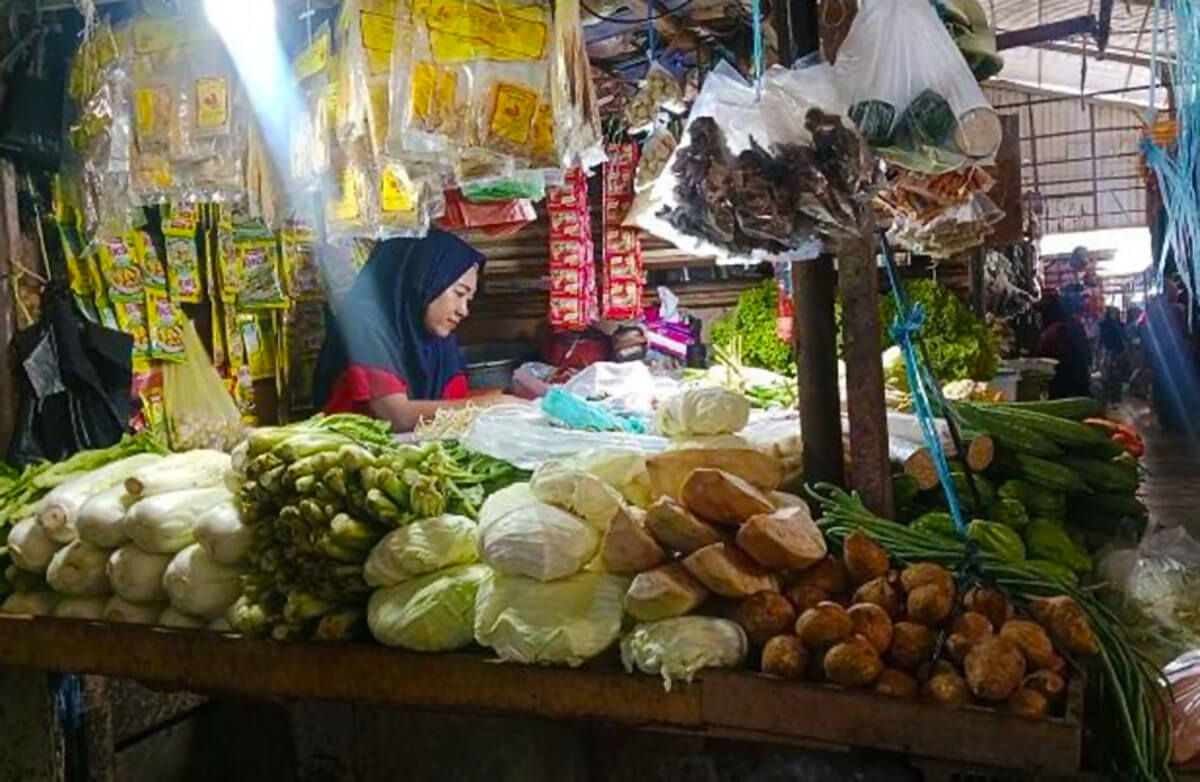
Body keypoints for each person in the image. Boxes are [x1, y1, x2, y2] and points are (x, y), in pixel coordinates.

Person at [313, 230, 519, 432]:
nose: (463, 310)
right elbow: (396, 416)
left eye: (468, 299)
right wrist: (492, 404)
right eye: (459, 293)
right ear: (424, 280)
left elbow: (452, 403)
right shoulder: (365, 323)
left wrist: (511, 398)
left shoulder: (435, 338)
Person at [1037, 294, 1093, 399]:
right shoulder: (1074, 327)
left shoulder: (1051, 332)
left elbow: (1043, 356)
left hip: (1060, 384)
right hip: (1079, 383)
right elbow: (1087, 355)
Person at [1098, 307, 1128, 404]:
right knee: (1114, 375)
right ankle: (1115, 398)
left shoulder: (1105, 325)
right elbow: (1122, 340)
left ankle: (1111, 398)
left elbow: (1102, 340)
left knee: (1110, 375)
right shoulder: (1115, 325)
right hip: (1115, 352)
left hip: (1112, 352)